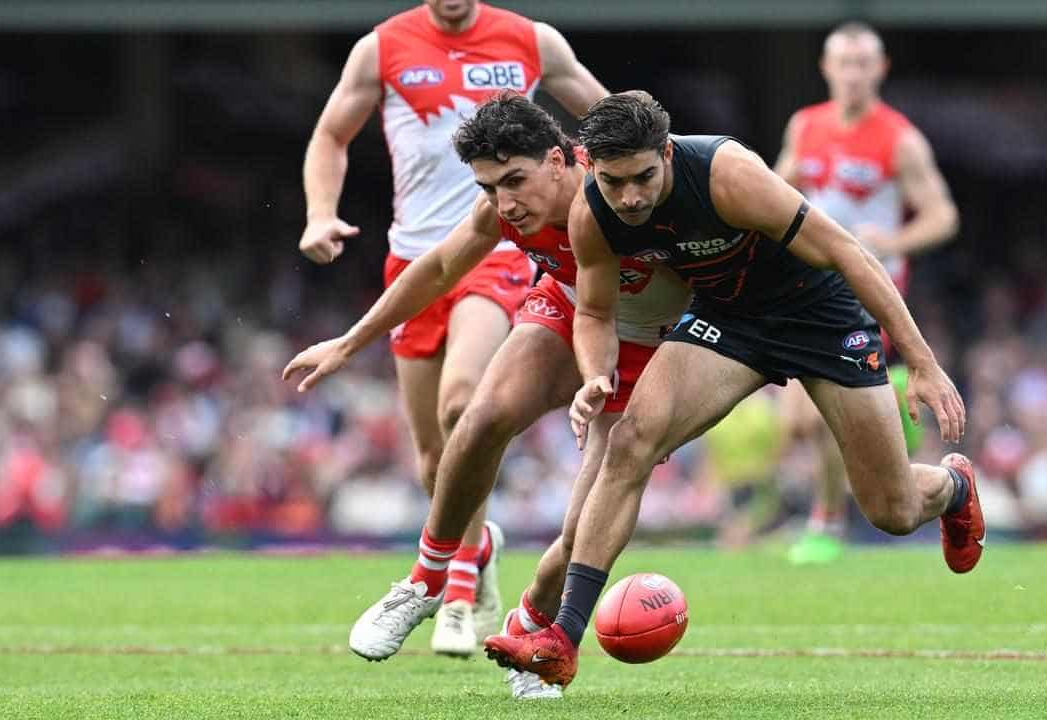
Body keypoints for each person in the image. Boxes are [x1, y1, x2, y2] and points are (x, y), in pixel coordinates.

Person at [483, 91, 984, 688]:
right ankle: (562, 640)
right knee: (629, 441)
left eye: (644, 177)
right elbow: (592, 314)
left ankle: (952, 487)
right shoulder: (594, 209)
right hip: (728, 319)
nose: (632, 197)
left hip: (820, 315)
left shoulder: (728, 174)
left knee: (893, 510)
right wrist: (596, 373)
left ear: (666, 153)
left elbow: (848, 252)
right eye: (615, 182)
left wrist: (922, 362)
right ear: (594, 167)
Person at [284, 93, 688, 696]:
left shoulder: (624, 187)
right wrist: (349, 342)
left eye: (515, 181)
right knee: (478, 417)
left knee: (582, 531)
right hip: (570, 309)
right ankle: (427, 578)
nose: (505, 202)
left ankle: (531, 623)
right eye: (490, 185)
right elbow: (441, 266)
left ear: (560, 160)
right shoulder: (501, 208)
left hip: (656, 347)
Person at [298, 0, 606, 646]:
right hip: (420, 256)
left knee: (463, 403)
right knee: (435, 461)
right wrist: (319, 213)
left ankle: (456, 591)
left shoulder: (532, 41)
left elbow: (609, 121)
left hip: (500, 253)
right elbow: (330, 135)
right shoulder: (380, 48)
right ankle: (479, 547)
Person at [772, 22, 960, 565]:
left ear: (880, 70)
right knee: (795, 424)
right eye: (843, 63)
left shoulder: (899, 138)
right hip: (807, 282)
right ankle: (889, 392)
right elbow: (777, 188)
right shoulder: (805, 127)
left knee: (812, 418)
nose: (852, 74)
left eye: (863, 64)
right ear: (826, 68)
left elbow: (944, 215)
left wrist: (893, 240)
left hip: (866, 290)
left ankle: (827, 522)